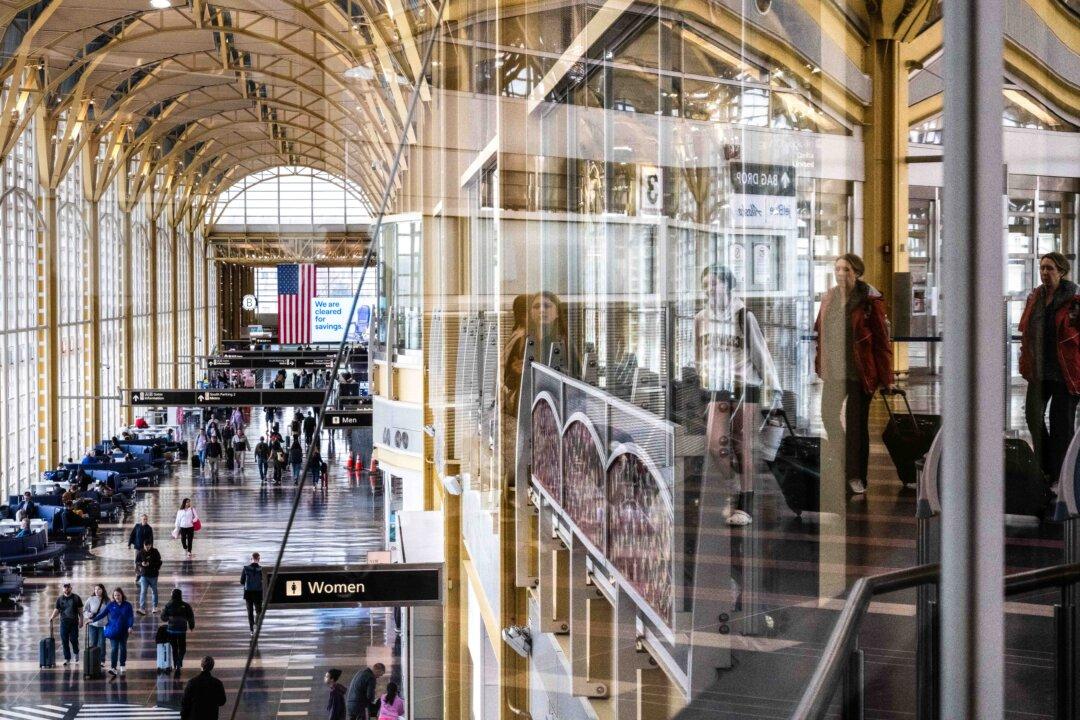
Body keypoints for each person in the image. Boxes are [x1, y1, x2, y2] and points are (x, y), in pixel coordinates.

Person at [693, 265, 782, 526]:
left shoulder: (744, 316)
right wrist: (702, 379)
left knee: (743, 444)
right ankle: (732, 483)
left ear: (728, 286)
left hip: (746, 386)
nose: (710, 288)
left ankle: (746, 500)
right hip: (717, 387)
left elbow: (760, 353)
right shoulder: (701, 319)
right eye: (706, 284)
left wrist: (774, 388)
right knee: (714, 443)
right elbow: (698, 354)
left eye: (715, 283)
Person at [814, 253, 894, 495]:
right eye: (838, 269)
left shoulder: (869, 300)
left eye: (846, 269)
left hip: (861, 373)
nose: (840, 274)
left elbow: (881, 341)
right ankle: (844, 463)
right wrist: (820, 363)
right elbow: (820, 331)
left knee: (857, 426)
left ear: (857, 273)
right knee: (828, 416)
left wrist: (886, 378)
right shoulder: (829, 297)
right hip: (835, 371)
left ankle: (857, 476)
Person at [1019, 251, 1080, 485]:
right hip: (1040, 370)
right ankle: (1045, 467)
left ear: (1062, 272)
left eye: (1050, 268)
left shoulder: (1074, 298)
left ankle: (1062, 474)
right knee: (1033, 415)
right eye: (1042, 268)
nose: (1045, 272)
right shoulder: (1035, 297)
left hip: (1066, 372)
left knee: (1061, 424)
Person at [89, 587, 134, 676]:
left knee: (123, 648)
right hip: (113, 631)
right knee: (114, 649)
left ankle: (122, 664)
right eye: (115, 595)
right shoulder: (111, 605)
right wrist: (93, 620)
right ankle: (113, 667)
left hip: (124, 631)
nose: (117, 597)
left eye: (118, 595)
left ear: (122, 595)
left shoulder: (127, 605)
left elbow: (130, 617)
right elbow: (102, 614)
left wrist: (130, 626)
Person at [161, 588, 196, 672]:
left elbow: (163, 617)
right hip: (181, 630)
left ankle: (176, 664)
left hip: (171, 630)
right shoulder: (186, 605)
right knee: (182, 648)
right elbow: (190, 617)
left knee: (174, 648)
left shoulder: (168, 605)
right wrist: (191, 626)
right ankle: (179, 662)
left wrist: (169, 618)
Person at [49, 582, 83, 666]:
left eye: (68, 587)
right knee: (64, 641)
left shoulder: (76, 598)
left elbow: (80, 611)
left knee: (73, 639)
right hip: (64, 623)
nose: (66, 589)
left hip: (74, 623)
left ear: (71, 588)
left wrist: (81, 621)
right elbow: (57, 610)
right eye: (65, 587)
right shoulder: (60, 599)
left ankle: (76, 652)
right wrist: (52, 617)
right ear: (62, 589)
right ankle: (67, 658)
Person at [135, 539, 163, 615]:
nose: (147, 548)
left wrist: (150, 564)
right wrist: (141, 564)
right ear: (143, 546)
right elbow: (137, 562)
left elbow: (159, 562)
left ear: (151, 545)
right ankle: (142, 608)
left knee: (154, 591)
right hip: (144, 575)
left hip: (153, 575)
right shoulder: (140, 552)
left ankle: (155, 607)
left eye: (149, 546)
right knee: (143, 591)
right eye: (146, 546)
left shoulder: (155, 551)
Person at [83, 583, 108, 662]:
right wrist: (88, 615)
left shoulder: (107, 600)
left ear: (102, 590)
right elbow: (85, 610)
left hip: (103, 624)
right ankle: (93, 659)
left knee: (102, 643)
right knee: (93, 642)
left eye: (99, 589)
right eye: (95, 589)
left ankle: (102, 660)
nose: (97, 591)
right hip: (92, 624)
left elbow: (109, 612)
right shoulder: (90, 599)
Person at [240, 552, 263, 635]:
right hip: (258, 593)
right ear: (259, 559)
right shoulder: (261, 569)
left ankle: (251, 630)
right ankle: (256, 624)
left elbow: (242, 581)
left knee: (250, 612)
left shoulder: (246, 568)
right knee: (258, 611)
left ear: (251, 559)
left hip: (248, 593)